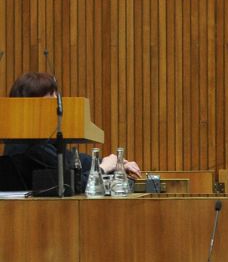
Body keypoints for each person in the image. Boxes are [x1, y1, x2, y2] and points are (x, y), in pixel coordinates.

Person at [3, 72, 140, 194]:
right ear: (30, 104)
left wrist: (112, 163)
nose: (58, 101)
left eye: (56, 94)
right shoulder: (32, 145)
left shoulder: (36, 138)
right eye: (51, 95)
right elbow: (71, 185)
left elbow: (72, 160)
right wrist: (103, 168)